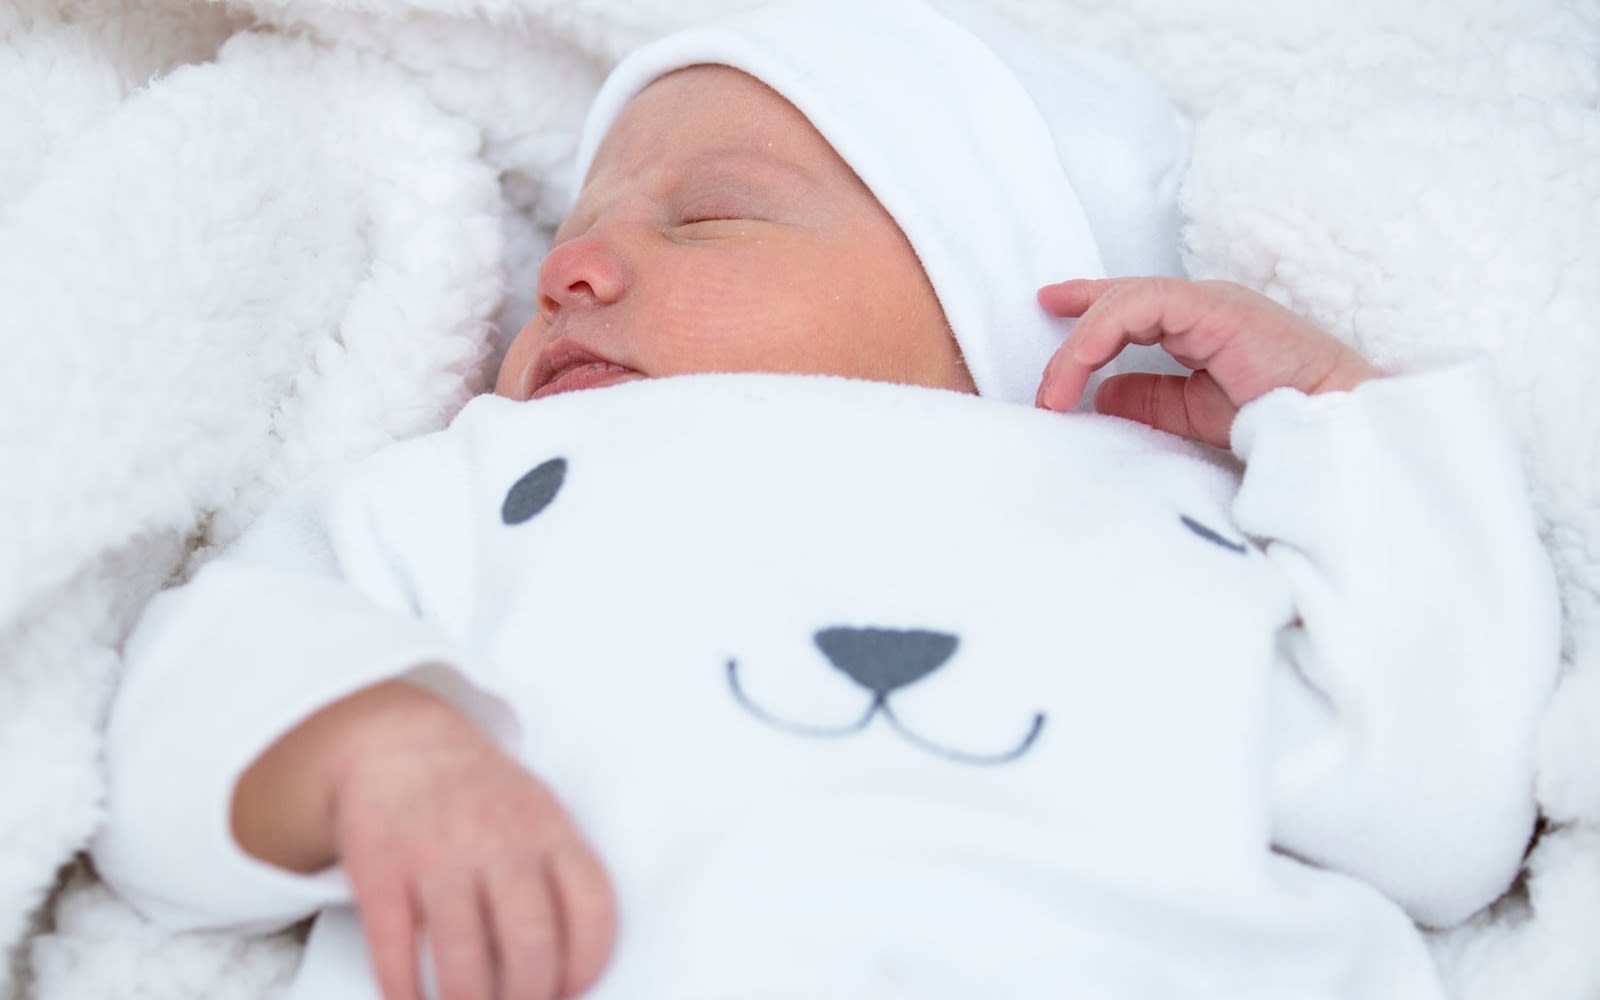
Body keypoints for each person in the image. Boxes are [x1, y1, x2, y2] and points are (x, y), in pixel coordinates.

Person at [90, 1, 1560, 999]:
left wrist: (1342, 425)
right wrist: (377, 756)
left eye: (705, 214)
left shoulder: (1177, 520)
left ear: (1017, 312)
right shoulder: (478, 488)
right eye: (579, 231)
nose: (569, 272)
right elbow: (187, 713)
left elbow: (1441, 810)